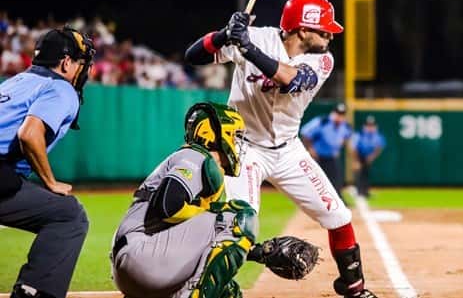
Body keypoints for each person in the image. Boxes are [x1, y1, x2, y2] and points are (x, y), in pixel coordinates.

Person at [184, 0, 377, 298]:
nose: (329, 34)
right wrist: (225, 35)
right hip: (244, 151)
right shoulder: (256, 36)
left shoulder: (322, 58)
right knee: (240, 224)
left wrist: (246, 47)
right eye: (323, 28)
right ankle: (206, 287)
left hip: (288, 151)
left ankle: (353, 289)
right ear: (302, 30)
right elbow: (193, 56)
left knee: (339, 216)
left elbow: (292, 80)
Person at [110, 101, 316, 298]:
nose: (237, 144)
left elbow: (184, 229)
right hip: (142, 257)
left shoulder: (197, 161)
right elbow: (168, 206)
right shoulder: (195, 157)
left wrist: (256, 252)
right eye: (234, 136)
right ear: (216, 134)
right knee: (240, 216)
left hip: (139, 265)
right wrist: (217, 215)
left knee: (227, 291)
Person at [0, 27, 95, 298]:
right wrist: (50, 182)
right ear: (66, 62)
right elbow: (29, 134)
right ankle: (34, 293)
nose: (82, 69)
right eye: (80, 62)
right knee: (69, 216)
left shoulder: (15, 82)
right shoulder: (60, 87)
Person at [300, 103, 353, 198]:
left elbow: (347, 136)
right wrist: (310, 149)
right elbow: (305, 133)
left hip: (332, 156)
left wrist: (339, 146)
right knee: (317, 181)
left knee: (336, 179)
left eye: (342, 114)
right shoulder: (322, 121)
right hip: (318, 157)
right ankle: (315, 201)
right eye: (338, 113)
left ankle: (338, 200)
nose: (339, 116)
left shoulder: (345, 126)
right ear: (333, 113)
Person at [351, 116, 386, 198]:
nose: (370, 127)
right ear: (364, 126)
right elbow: (353, 148)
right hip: (359, 155)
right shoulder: (359, 134)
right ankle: (359, 192)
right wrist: (356, 160)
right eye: (368, 125)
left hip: (368, 156)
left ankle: (365, 192)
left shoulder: (377, 136)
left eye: (372, 125)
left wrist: (372, 156)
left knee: (366, 174)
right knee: (359, 174)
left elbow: (379, 147)